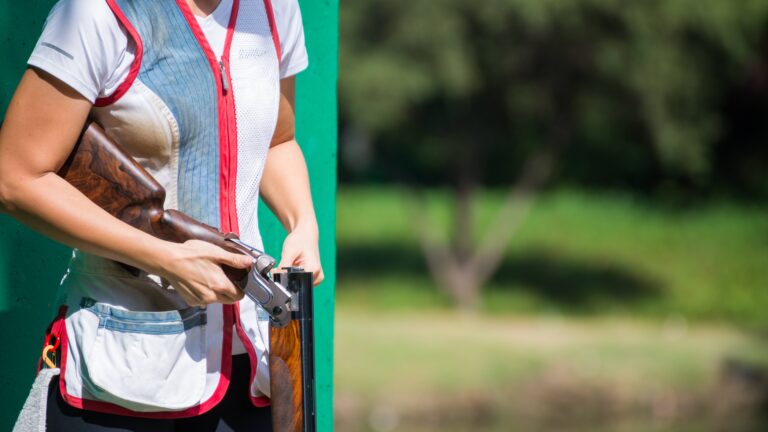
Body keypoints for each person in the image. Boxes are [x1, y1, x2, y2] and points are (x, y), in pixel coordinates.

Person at [0, 0, 323, 430]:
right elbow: (16, 176)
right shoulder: (97, 12)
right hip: (120, 380)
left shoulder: (275, 9)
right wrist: (163, 258)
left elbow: (278, 140)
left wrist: (303, 224)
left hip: (251, 371)